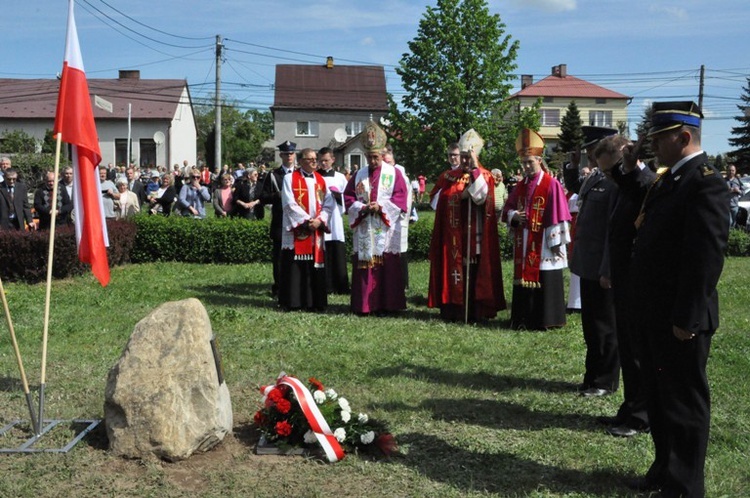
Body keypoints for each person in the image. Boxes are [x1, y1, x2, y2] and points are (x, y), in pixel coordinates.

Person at [621, 101, 729, 497]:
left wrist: (688, 317)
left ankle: (685, 486)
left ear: (684, 137)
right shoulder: (671, 180)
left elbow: (705, 257)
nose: (652, 147)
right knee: (660, 398)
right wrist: (629, 167)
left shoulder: (705, 182)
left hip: (679, 319)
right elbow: (638, 202)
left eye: (658, 139)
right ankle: (664, 471)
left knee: (683, 404)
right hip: (653, 313)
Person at [594, 134, 654, 439]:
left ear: (625, 156)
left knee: (638, 351)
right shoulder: (625, 182)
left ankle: (641, 414)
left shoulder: (647, 182)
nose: (609, 177)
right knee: (627, 347)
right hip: (622, 276)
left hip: (637, 279)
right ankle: (630, 406)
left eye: (611, 169)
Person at [563, 126, 620, 398]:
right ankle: (592, 376)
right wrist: (572, 167)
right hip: (587, 263)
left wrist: (608, 268)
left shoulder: (615, 181)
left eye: (591, 150)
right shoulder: (596, 176)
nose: (587, 154)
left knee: (605, 326)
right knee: (591, 325)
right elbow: (576, 189)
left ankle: (605, 380)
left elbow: (614, 231)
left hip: (601, 267)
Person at [428, 129, 506, 322]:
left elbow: (481, 197)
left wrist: (474, 170)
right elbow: (437, 200)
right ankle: (453, 309)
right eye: (462, 157)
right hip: (452, 235)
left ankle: (475, 311)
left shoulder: (484, 174)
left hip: (475, 233)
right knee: (454, 271)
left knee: (475, 270)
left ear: (474, 156)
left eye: (467, 157)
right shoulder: (449, 176)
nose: (463, 161)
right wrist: (457, 196)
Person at [502, 129, 571, 330]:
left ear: (539, 160)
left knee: (546, 277)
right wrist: (514, 216)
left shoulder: (552, 184)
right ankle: (523, 318)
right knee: (524, 278)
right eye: (523, 163)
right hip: (524, 239)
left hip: (546, 242)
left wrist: (557, 242)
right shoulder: (521, 185)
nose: (526, 167)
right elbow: (507, 208)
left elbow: (559, 212)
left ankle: (547, 320)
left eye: (530, 162)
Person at [343, 120, 408, 315]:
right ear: (365, 155)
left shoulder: (393, 173)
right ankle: (365, 305)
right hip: (365, 224)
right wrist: (362, 207)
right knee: (365, 265)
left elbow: (400, 197)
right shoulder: (358, 174)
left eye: (376, 157)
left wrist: (381, 207)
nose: (373, 161)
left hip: (385, 226)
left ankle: (388, 304)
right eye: (369, 157)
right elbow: (348, 197)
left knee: (387, 265)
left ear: (382, 154)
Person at [278, 148, 335, 311]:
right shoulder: (290, 178)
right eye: (309, 159)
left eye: (314, 159)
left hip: (316, 229)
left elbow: (329, 204)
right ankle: (294, 302)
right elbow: (289, 203)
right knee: (296, 265)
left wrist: (320, 220)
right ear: (301, 161)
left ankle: (315, 302)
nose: (313, 162)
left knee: (315, 266)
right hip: (298, 229)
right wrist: (305, 221)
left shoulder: (321, 180)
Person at [259, 140, 297, 297]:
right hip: (280, 220)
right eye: (286, 154)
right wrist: (278, 195)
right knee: (279, 257)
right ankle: (279, 287)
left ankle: (295, 285)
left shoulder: (300, 174)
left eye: (291, 153)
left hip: (297, 220)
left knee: (297, 255)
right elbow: (263, 197)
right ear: (281, 155)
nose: (289, 156)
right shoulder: (273, 175)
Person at [317, 147, 349, 294]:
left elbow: (348, 199)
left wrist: (338, 197)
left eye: (326, 160)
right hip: (320, 216)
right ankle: (325, 284)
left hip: (335, 218)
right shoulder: (315, 176)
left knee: (336, 250)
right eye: (321, 161)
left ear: (333, 160)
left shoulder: (340, 178)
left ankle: (340, 285)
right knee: (322, 250)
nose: (323, 164)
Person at [382, 143, 413, 289]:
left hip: (398, 218)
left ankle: (402, 283)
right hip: (383, 218)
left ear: (392, 156)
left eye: (386, 156)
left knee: (399, 250)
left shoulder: (400, 174)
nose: (385, 160)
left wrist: (396, 212)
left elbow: (405, 199)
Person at [726, 163, 742, 228]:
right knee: (728, 222)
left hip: (735, 205)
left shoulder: (738, 180)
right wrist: (727, 191)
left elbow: (743, 192)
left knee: (734, 223)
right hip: (726, 205)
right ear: (727, 171)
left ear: (735, 171)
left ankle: (732, 236)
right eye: (729, 170)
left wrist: (738, 191)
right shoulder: (723, 181)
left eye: (733, 170)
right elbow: (719, 192)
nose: (731, 172)